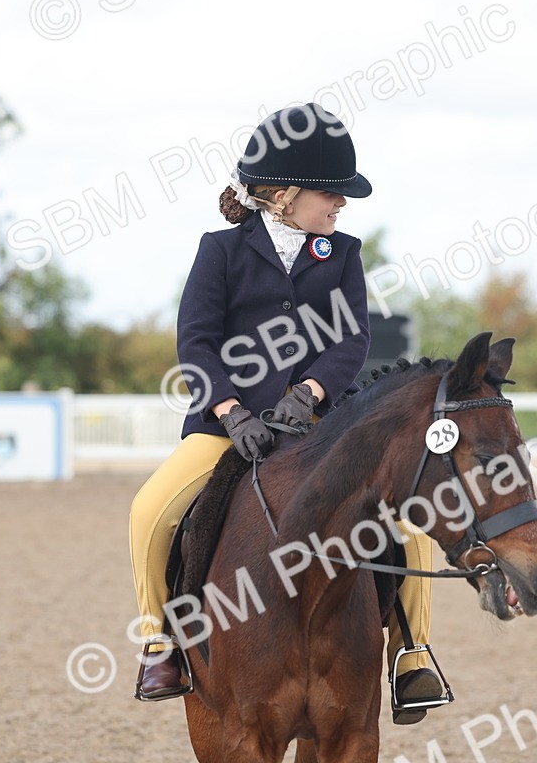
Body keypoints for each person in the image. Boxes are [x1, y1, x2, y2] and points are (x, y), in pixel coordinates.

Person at [128, 103, 443, 723]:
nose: (341, 205)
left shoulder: (342, 253)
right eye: (332, 193)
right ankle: (158, 642)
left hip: (323, 426)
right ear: (286, 195)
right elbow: (195, 340)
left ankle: (412, 653)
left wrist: (310, 395)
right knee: (148, 512)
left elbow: (352, 339)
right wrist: (231, 409)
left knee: (409, 522)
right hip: (229, 427)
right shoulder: (220, 250)